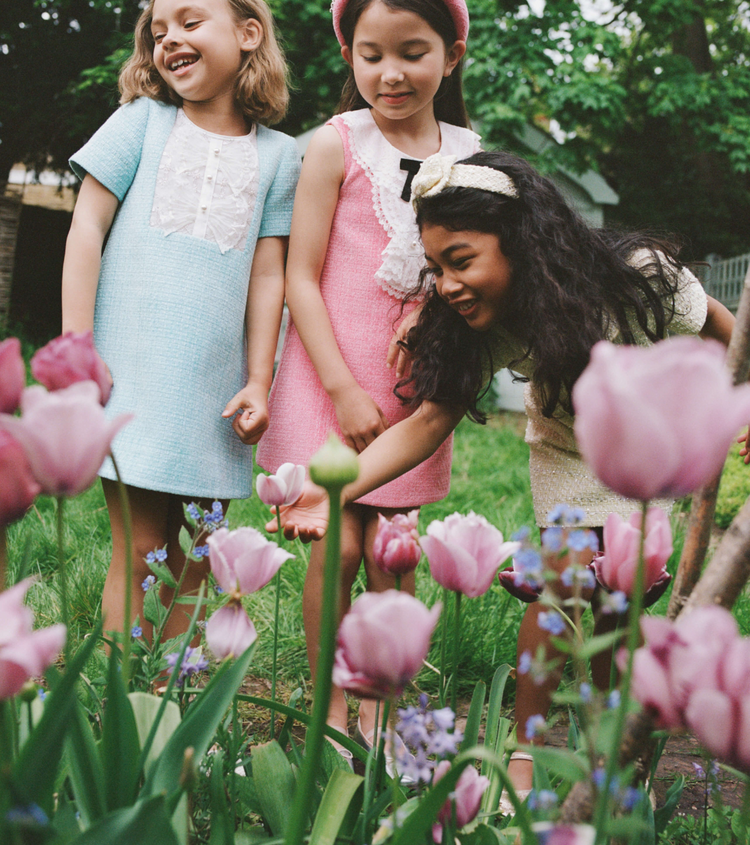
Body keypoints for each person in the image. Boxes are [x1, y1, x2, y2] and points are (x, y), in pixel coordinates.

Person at [272, 150, 735, 788]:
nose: (447, 284)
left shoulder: (639, 278)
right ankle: (524, 751)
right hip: (570, 449)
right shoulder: (491, 326)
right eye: (436, 268)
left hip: (650, 446)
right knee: (563, 581)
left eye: (460, 261)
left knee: (616, 606)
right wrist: (331, 492)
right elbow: (426, 424)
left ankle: (608, 751)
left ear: (522, 242)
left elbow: (722, 330)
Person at [256, 0, 480, 759]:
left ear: (451, 55)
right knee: (343, 545)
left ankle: (387, 705)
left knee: (393, 553)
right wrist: (344, 389)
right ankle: (329, 704)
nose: (391, 73)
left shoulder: (470, 151)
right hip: (331, 382)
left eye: (412, 52)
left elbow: (470, 264)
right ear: (348, 54)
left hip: (414, 390)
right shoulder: (334, 143)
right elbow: (301, 279)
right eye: (371, 53)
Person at [62, 0, 300, 643]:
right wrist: (78, 347)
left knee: (199, 560)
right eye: (156, 30)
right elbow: (85, 230)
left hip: (216, 397)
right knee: (139, 551)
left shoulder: (282, 158)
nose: (168, 40)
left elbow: (267, 277)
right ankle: (124, 705)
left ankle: (176, 706)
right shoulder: (141, 123)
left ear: (249, 34)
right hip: (131, 379)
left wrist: (260, 378)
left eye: (190, 22)